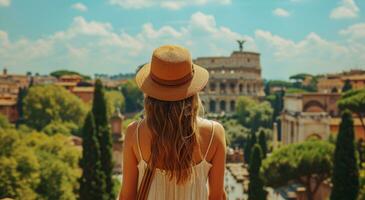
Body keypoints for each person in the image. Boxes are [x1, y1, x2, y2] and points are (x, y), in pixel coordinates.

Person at [119, 45, 227, 200]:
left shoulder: (134, 133)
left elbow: (126, 197)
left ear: (150, 92)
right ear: (193, 90)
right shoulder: (214, 133)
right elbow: (217, 196)